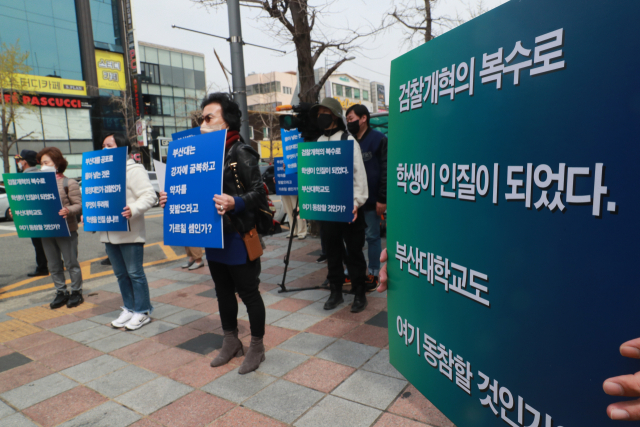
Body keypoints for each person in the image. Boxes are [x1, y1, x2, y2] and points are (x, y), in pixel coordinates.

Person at [160, 93, 267, 374]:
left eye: (209, 118)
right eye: (202, 118)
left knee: (249, 293)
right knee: (222, 293)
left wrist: (236, 202)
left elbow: (261, 192)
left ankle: (257, 347)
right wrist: (171, 199)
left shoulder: (239, 151)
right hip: (212, 236)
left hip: (237, 236)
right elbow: (192, 191)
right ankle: (231, 341)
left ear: (227, 121)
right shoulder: (197, 152)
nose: (203, 123)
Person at [309, 97, 369, 313]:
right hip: (328, 210)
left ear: (334, 115)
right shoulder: (317, 142)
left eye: (323, 112)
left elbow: (359, 176)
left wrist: (356, 203)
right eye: (317, 114)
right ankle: (335, 292)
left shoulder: (348, 140)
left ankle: (360, 293)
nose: (319, 117)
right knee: (332, 252)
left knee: (354, 253)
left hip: (350, 210)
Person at [101, 133, 158, 330]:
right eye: (103, 146)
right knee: (120, 274)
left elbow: (149, 196)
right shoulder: (102, 171)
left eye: (109, 145)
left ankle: (142, 311)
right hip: (109, 232)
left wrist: (133, 209)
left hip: (129, 231)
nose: (104, 149)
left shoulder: (133, 169)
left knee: (134, 273)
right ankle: (129, 307)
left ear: (122, 148)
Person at [346, 104, 387, 291]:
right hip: (353, 201)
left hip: (372, 200)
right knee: (353, 238)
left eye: (351, 118)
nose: (349, 123)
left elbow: (385, 170)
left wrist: (382, 198)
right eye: (347, 120)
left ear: (364, 118)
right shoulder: (348, 141)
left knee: (372, 236)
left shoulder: (379, 139)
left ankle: (374, 271)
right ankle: (353, 270)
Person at [35, 148, 83, 308]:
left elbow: (79, 205)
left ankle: (76, 292)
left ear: (57, 163)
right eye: (41, 163)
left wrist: (68, 210)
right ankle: (61, 292)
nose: (42, 166)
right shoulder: (38, 184)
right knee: (53, 265)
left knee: (71, 263)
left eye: (46, 162)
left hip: (66, 229)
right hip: (46, 230)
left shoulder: (69, 183)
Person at [14, 150, 49, 277]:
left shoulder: (23, 178)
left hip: (33, 217)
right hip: (46, 216)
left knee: (38, 244)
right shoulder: (44, 175)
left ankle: (42, 267)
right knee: (49, 242)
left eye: (20, 160)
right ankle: (57, 263)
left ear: (25, 162)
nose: (19, 162)